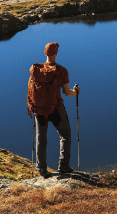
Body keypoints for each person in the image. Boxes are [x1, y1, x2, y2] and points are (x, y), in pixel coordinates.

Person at [27, 42, 79, 178]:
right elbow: (67, 93)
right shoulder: (61, 70)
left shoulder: (35, 71)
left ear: (45, 53)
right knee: (65, 135)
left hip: (39, 110)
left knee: (41, 139)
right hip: (56, 109)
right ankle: (63, 166)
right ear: (56, 53)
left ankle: (42, 169)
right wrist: (76, 92)